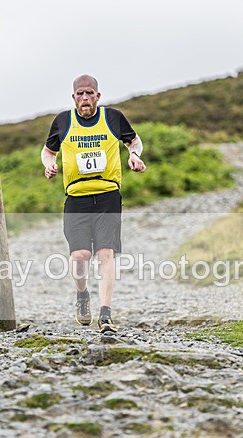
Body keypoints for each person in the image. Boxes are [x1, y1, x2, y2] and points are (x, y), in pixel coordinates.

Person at [41, 74, 146, 333]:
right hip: (76, 197)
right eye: (80, 94)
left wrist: (134, 155)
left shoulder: (113, 117)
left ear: (98, 96)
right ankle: (82, 295)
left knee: (105, 253)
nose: (85, 98)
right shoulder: (63, 121)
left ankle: (106, 314)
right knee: (79, 256)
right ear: (73, 97)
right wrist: (49, 165)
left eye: (90, 93)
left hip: (108, 195)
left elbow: (133, 140)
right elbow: (48, 151)